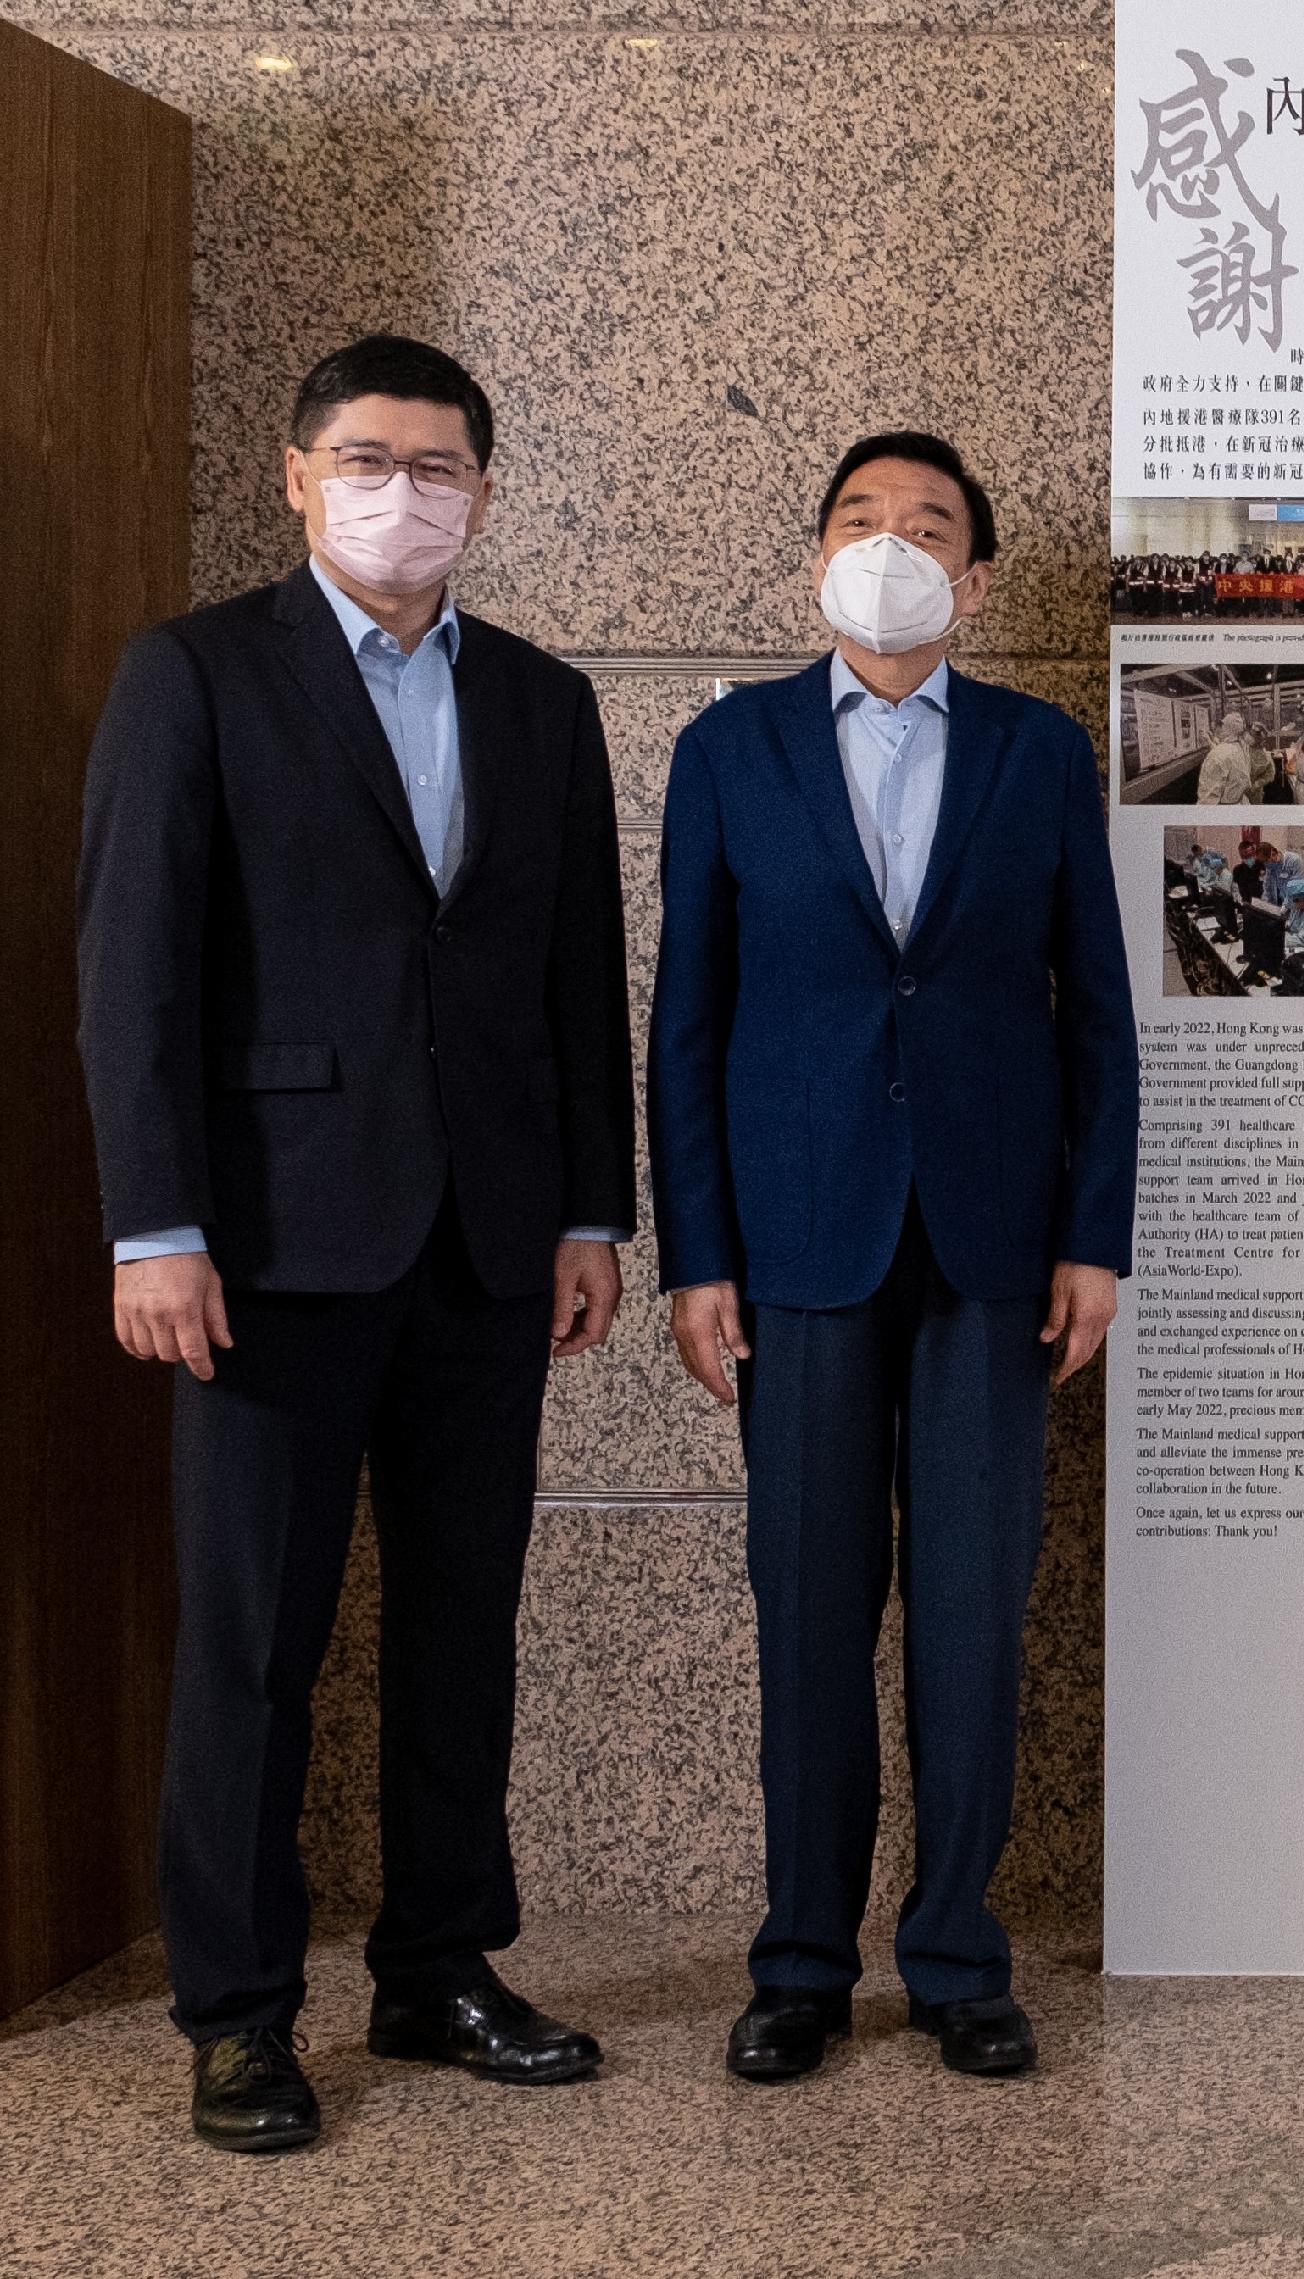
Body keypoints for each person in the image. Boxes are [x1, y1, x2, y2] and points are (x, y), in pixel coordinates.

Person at [76, 335, 636, 2153]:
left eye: (446, 464)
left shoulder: (546, 701)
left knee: (463, 1620)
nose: (411, 491)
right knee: (253, 1640)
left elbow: (571, 984)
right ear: (297, 471)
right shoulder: (199, 671)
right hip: (265, 1243)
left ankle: (438, 1962)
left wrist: (586, 1209)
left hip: (485, 1240)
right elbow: (132, 969)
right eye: (372, 458)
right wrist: (153, 1225)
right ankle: (238, 2011)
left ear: (483, 486)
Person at [649, 432, 1138, 2088]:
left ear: (974, 579)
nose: (894, 544)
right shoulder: (731, 748)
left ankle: (955, 1958)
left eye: (929, 525)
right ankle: (799, 1961)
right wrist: (694, 1254)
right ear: (817, 558)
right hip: (796, 1239)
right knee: (807, 1612)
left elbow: (1103, 1021)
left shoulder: (1039, 750)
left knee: (972, 1621)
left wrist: (1095, 1234)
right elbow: (689, 1026)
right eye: (863, 519)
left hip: (994, 1244)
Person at [1194, 704, 1263, 805]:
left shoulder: (1217, 755)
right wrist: (1210, 740)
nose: (1220, 729)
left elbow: (1207, 800)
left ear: (1227, 728)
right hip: (1241, 803)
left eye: (1222, 726)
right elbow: (1227, 759)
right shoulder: (1242, 747)